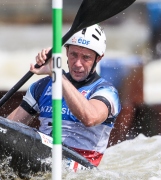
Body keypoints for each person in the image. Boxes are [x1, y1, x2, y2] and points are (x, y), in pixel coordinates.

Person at [7, 24, 121, 167]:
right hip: (41, 162)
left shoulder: (106, 91)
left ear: (99, 58)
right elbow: (8, 127)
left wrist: (58, 75)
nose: (77, 64)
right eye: (73, 54)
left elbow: (90, 118)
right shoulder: (42, 87)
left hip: (79, 172)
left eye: (86, 57)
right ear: (66, 51)